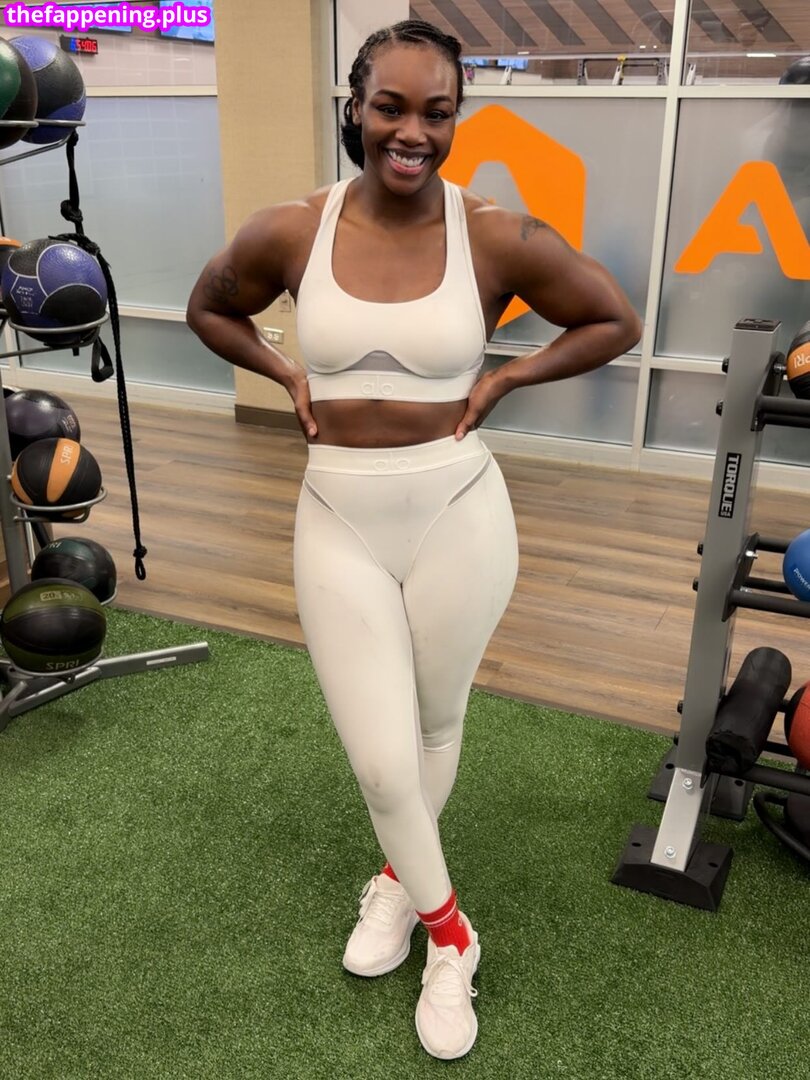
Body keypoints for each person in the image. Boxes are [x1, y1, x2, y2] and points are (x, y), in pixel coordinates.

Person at [187, 19, 642, 1061]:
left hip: (458, 515)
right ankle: (453, 936)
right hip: (337, 516)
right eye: (391, 107)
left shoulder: (495, 235)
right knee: (384, 764)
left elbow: (612, 320)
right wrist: (286, 372)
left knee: (435, 727)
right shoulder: (292, 229)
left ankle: (398, 884)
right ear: (354, 106)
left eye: (438, 112)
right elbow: (210, 307)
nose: (413, 132)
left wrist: (507, 376)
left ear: (455, 120)